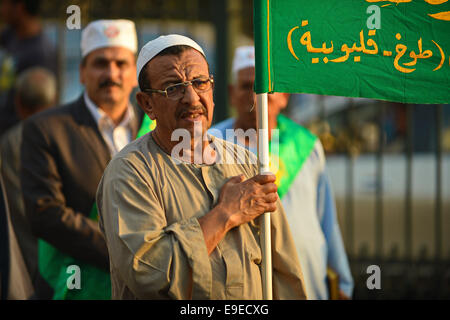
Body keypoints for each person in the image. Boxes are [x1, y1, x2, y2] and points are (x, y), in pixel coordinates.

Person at [96, 34, 307, 300]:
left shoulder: (247, 162)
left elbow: (283, 271)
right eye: (173, 87)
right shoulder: (130, 173)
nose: (192, 98)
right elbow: (150, 275)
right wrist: (225, 213)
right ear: (147, 104)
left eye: (200, 83)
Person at [211, 46, 354, 300]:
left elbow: (326, 219)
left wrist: (343, 280)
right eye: (248, 86)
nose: (259, 94)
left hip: (306, 285)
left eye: (269, 86)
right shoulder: (209, 145)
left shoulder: (306, 145)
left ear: (285, 95)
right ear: (232, 94)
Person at [20, 20, 147, 300]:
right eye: (100, 63)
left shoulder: (156, 127)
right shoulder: (46, 129)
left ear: (135, 74)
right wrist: (132, 254)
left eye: (121, 64)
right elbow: (45, 214)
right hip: (73, 287)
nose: (111, 73)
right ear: (82, 72)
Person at [0, 67, 57, 299]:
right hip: (60, 261)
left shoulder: (9, 143)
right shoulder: (62, 134)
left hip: (25, 259)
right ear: (53, 101)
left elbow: (15, 209)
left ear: (18, 103)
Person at [0, 0, 57, 136]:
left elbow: (41, 111)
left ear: (19, 7)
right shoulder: (12, 35)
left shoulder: (41, 54)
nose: (1, 10)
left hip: (17, 136)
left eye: (3, 4)